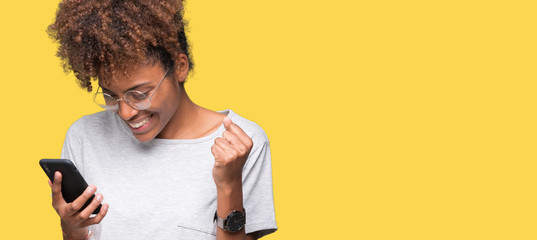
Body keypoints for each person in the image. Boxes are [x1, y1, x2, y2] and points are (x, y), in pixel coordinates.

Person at [46, 0, 277, 239]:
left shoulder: (240, 144)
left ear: (179, 67)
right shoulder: (85, 136)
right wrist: (71, 227)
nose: (126, 112)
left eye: (140, 94)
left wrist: (228, 185)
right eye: (110, 95)